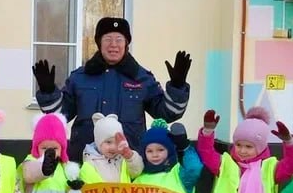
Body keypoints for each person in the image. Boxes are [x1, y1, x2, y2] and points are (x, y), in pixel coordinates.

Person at [34, 16, 191, 162]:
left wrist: (177, 87)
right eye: (108, 39)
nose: (113, 45)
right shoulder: (80, 77)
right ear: (99, 43)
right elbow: (59, 116)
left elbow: (167, 114)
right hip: (86, 162)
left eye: (119, 39)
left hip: (128, 163)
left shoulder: (142, 78)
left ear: (126, 44)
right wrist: (48, 92)